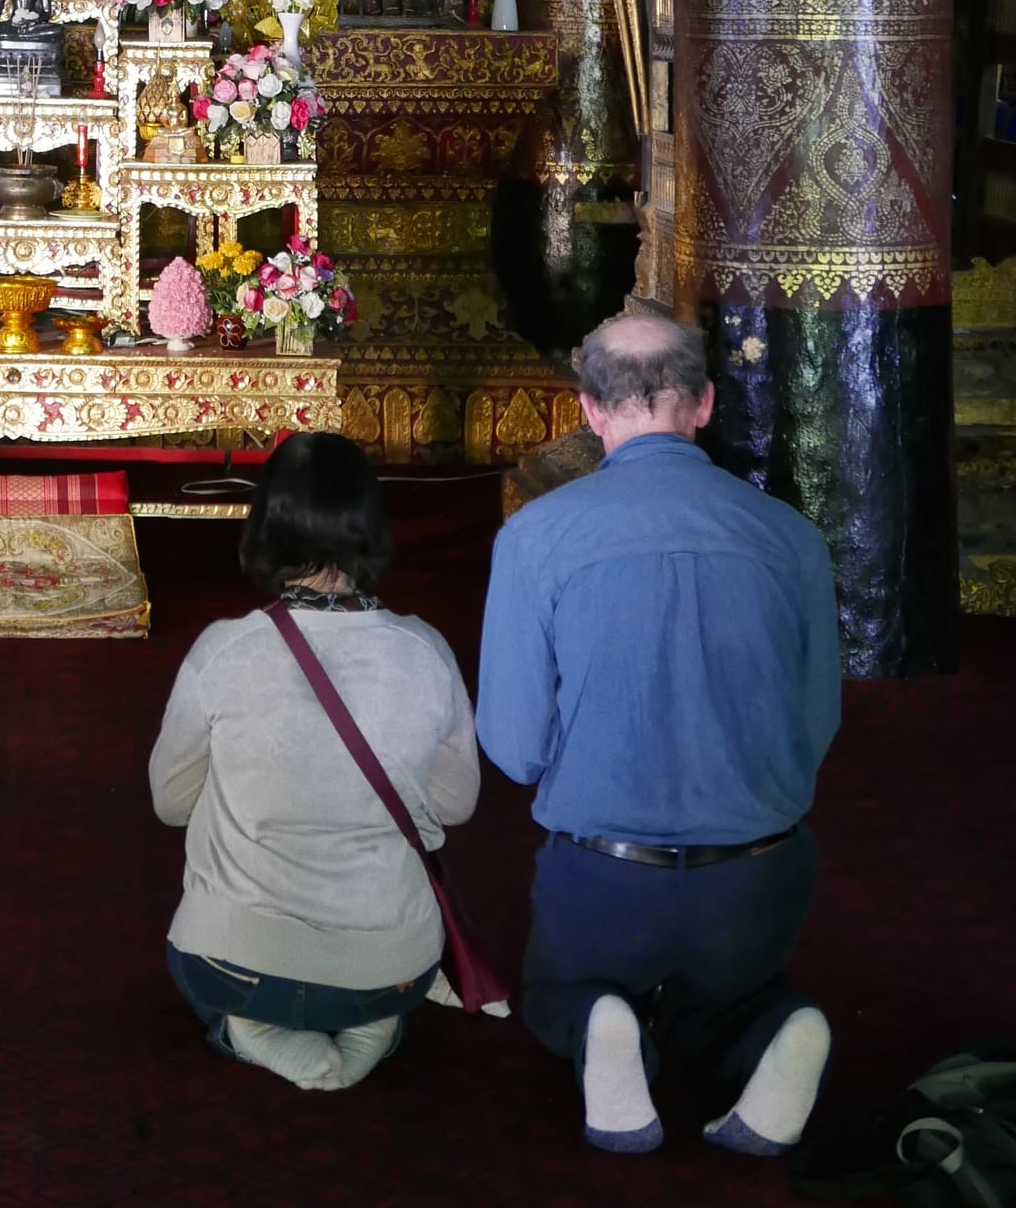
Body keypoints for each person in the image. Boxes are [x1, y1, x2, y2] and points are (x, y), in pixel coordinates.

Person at [476, 316, 842, 1159]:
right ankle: (774, 1024)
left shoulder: (535, 537)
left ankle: (601, 1020)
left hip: (605, 877)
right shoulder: (793, 538)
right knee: (728, 1007)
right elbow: (816, 724)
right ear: (705, 402)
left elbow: (514, 745)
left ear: (589, 409)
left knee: (556, 995)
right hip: (756, 879)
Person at [149, 433, 479, 1094]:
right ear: (372, 525)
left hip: (233, 964)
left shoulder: (224, 650)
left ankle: (248, 1027)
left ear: (265, 524)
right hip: (391, 968)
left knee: (205, 965)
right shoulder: (425, 651)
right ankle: (374, 1022)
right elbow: (454, 805)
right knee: (378, 980)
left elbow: (170, 803)